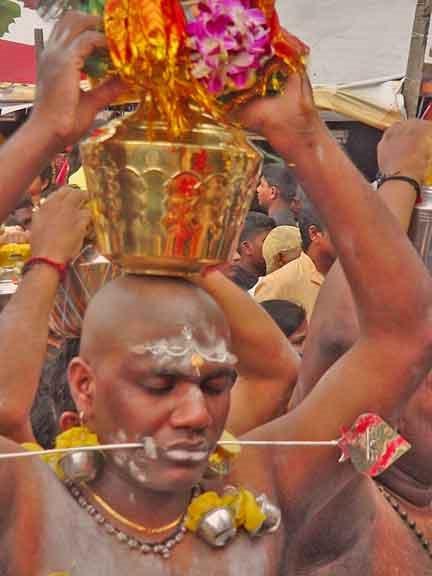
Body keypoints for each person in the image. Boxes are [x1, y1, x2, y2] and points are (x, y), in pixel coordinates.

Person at [2, 13, 432, 576]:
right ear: (84, 386)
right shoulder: (27, 502)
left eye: (215, 383)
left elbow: (402, 335)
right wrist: (43, 132)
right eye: (160, 384)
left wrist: (304, 136)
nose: (196, 414)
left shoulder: (263, 483)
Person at [254, 206, 336, 320]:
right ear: (314, 234)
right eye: (342, 232)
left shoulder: (354, 278)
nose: (352, 239)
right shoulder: (277, 284)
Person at [227, 211, 275, 291]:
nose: (275, 247)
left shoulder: (275, 281)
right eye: (268, 242)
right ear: (247, 248)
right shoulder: (231, 287)